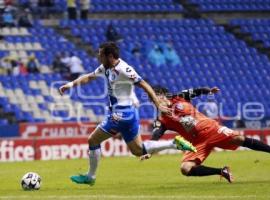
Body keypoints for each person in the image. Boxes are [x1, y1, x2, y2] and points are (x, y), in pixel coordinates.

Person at [58, 42, 196, 185]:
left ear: (110, 56)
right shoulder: (106, 67)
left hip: (121, 114)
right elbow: (90, 76)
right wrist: (71, 84)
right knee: (138, 150)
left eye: (101, 54)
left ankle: (90, 177)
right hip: (129, 114)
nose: (98, 57)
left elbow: (144, 84)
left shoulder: (124, 69)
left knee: (93, 140)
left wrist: (157, 104)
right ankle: (174, 143)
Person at [141, 86, 270, 183]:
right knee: (185, 169)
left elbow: (197, 91)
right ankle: (221, 171)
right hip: (196, 143)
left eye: (154, 98)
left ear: (162, 95)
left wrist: (208, 91)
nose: (154, 102)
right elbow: (155, 135)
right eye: (151, 100)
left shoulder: (179, 97)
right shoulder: (161, 120)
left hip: (212, 129)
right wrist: (149, 151)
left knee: (239, 139)